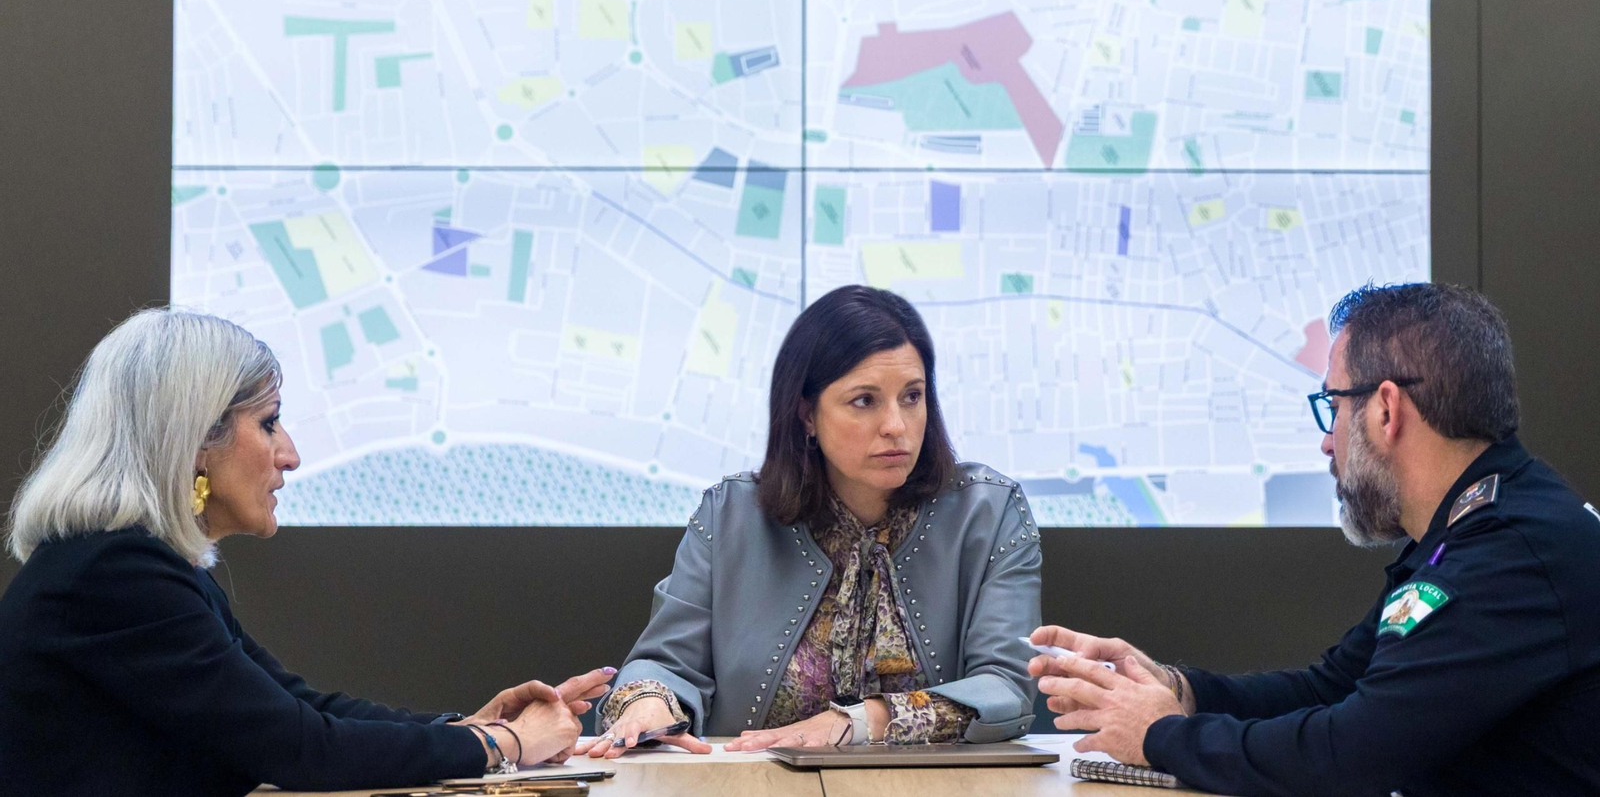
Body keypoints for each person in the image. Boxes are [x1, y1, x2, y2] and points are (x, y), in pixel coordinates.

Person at [0, 309, 613, 797]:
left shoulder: (125, 566)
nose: (289, 454)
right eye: (269, 423)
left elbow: (299, 706)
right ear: (194, 440)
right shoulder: (116, 577)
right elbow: (303, 749)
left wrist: (463, 731)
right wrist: (503, 744)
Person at [1029, 283, 1600, 796]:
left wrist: (1162, 736)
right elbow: (1332, 689)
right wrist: (1177, 690)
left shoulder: (1508, 553)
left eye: (1333, 406)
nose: (1328, 443)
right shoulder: (1471, 530)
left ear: (1384, 409)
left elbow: (1351, 756)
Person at [582, 285, 1041, 756]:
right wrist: (649, 704)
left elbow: (1006, 688)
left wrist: (861, 721)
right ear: (806, 414)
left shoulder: (988, 512)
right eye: (865, 400)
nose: (896, 426)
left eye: (912, 396)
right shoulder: (731, 514)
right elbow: (665, 663)